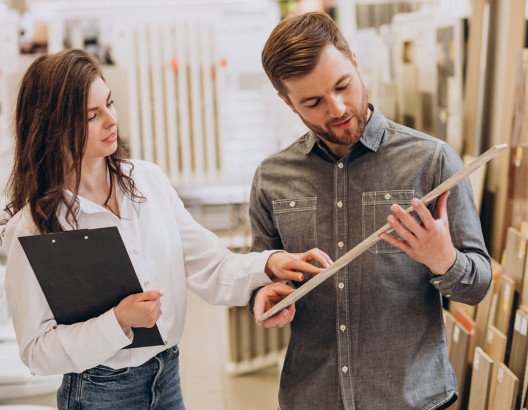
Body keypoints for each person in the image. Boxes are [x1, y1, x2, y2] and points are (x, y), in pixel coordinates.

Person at [0, 48, 331, 409]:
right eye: (92, 115)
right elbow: (37, 352)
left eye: (110, 104)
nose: (112, 120)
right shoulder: (33, 228)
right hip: (99, 393)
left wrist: (268, 265)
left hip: (167, 377)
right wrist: (117, 322)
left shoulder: (147, 181)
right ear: (54, 128)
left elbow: (210, 265)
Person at [249, 12, 492, 409]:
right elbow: (260, 274)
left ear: (355, 62)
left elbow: (479, 286)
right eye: (313, 102)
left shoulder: (431, 161)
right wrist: (266, 295)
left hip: (414, 399)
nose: (339, 107)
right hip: (312, 397)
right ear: (287, 103)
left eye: (343, 85)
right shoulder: (271, 178)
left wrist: (443, 260)